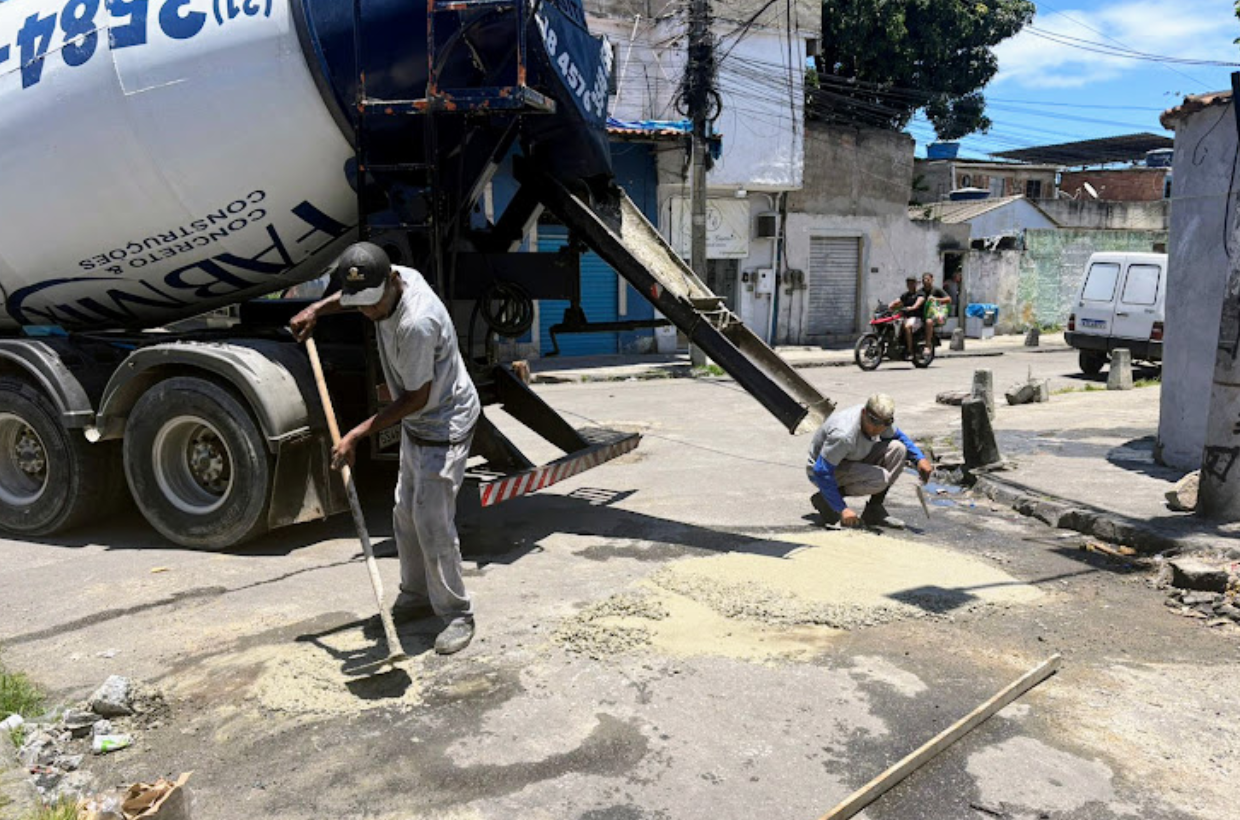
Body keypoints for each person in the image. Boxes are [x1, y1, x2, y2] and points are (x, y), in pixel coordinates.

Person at [290, 242, 481, 656]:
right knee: (404, 513)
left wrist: (356, 434)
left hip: (443, 421)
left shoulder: (417, 322)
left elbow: (414, 397)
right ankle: (414, 598)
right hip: (417, 422)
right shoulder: (385, 280)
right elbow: (354, 295)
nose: (368, 313)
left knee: (432, 521)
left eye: (374, 305)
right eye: (362, 304)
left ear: (393, 283)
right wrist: (316, 310)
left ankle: (456, 614)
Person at [806, 394, 933, 530]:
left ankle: (874, 509)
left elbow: (898, 436)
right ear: (864, 413)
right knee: (880, 478)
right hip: (823, 471)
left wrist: (920, 459)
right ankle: (826, 500)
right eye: (873, 422)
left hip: (851, 458)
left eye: (884, 424)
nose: (876, 429)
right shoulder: (843, 435)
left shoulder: (880, 419)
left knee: (898, 449)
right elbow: (821, 471)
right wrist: (842, 508)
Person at [889, 276, 924, 358]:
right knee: (893, 323)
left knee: (907, 326)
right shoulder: (905, 295)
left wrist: (913, 307)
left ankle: (910, 350)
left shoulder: (920, 294)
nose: (910, 284)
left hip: (916, 318)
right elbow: (897, 301)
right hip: (905, 317)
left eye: (912, 282)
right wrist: (890, 306)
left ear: (916, 284)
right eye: (908, 283)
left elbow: (919, 301)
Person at [920, 272, 952, 348]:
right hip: (921, 313)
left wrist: (935, 299)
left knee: (929, 322)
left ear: (932, 280)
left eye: (928, 279)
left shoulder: (936, 290)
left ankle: (928, 344)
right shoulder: (921, 291)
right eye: (924, 280)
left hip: (933, 315)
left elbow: (948, 299)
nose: (926, 281)